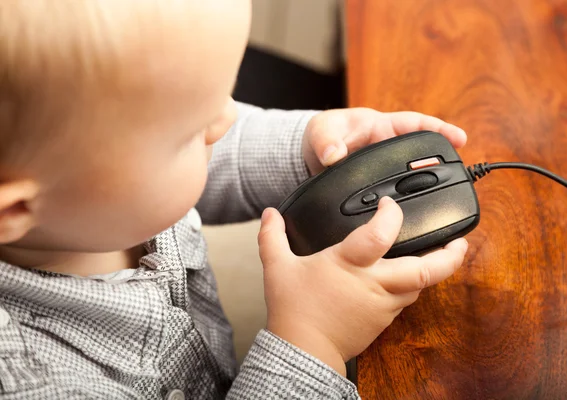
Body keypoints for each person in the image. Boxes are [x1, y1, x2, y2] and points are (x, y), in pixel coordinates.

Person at [0, 1, 469, 398]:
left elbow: (219, 154)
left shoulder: (85, 195)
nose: (224, 124)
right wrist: (311, 341)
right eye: (189, 132)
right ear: (16, 210)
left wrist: (305, 145)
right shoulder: (36, 382)